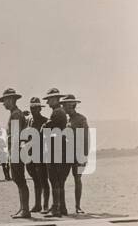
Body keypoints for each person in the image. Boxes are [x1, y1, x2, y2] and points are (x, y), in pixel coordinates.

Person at [0, 87, 32, 219]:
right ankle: (23, 208)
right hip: (15, 150)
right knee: (18, 180)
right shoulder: (14, 113)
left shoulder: (16, 114)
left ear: (11, 100)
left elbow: (17, 135)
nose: (4, 104)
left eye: (5, 101)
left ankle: (25, 210)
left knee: (20, 180)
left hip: (17, 150)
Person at [43, 88, 70, 216]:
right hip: (59, 147)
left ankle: (56, 208)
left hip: (56, 148)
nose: (48, 103)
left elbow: (47, 128)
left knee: (54, 179)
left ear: (55, 99)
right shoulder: (60, 112)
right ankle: (61, 207)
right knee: (59, 180)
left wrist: (45, 126)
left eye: (49, 100)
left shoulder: (57, 113)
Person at [62, 93, 90, 214]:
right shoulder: (65, 120)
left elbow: (85, 138)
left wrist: (84, 156)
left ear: (72, 105)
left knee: (77, 179)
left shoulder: (81, 119)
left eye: (65, 105)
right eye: (63, 105)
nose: (63, 107)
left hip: (78, 155)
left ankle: (77, 206)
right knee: (61, 179)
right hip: (66, 155)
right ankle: (62, 207)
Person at [26, 96, 51, 213]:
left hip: (41, 155)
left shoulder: (45, 121)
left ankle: (45, 205)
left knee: (44, 180)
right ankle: (37, 204)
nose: (33, 110)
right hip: (30, 154)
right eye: (32, 108)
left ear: (40, 109)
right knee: (35, 180)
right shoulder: (29, 121)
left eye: (36, 108)